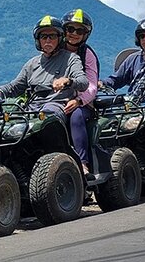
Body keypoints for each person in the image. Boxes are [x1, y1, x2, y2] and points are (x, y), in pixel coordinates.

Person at [0, 15, 89, 125]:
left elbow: (83, 82)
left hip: (56, 107)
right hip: (32, 109)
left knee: (48, 115)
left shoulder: (71, 59)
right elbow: (14, 87)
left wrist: (68, 81)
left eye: (52, 36)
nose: (48, 40)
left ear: (60, 38)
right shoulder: (32, 63)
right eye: (44, 37)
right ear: (38, 40)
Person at [61, 9, 98, 175]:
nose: (74, 34)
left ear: (86, 34)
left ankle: (82, 163)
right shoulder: (54, 49)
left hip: (82, 103)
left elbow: (92, 85)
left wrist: (79, 101)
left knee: (76, 116)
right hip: (56, 100)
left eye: (80, 30)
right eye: (70, 29)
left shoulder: (87, 54)